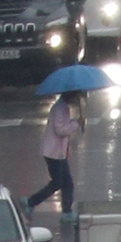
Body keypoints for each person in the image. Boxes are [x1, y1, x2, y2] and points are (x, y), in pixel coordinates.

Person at [23, 90, 83, 219]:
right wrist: (76, 123)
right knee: (58, 183)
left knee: (67, 183)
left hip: (59, 152)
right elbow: (60, 130)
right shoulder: (60, 108)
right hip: (53, 153)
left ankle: (67, 211)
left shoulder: (63, 107)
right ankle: (30, 202)